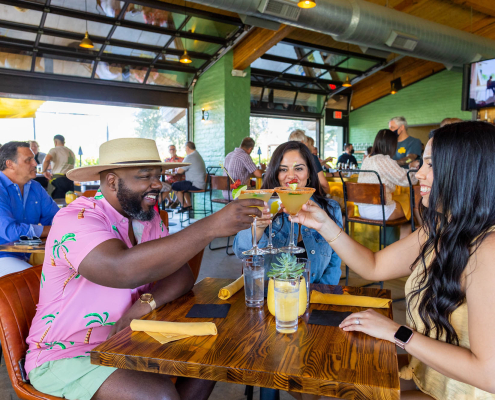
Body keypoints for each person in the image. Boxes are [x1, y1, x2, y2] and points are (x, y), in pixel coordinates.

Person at [25, 137, 267, 400]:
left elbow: (181, 273)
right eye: (145, 176)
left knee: (214, 350)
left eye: (158, 175)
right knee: (159, 396)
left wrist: (144, 304)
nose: (158, 184)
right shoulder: (76, 218)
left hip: (132, 339)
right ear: (112, 181)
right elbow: (121, 270)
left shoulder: (147, 217)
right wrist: (211, 226)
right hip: (68, 354)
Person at [290, 121, 495, 400]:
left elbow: (488, 374)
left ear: (467, 172)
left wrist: (397, 332)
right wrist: (324, 225)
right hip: (430, 380)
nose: (419, 173)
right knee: (324, 378)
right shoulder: (443, 230)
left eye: (431, 165)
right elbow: (373, 266)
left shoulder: (488, 249)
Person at [234, 141, 343, 284]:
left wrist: (319, 295)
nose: (291, 176)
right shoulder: (264, 205)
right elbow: (240, 251)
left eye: (299, 168)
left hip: (314, 297)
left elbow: (334, 263)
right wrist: (258, 228)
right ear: (275, 174)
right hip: (272, 296)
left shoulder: (330, 209)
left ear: (309, 172)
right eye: (283, 169)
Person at [0, 141, 59, 275]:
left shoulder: (35, 187)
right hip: (3, 256)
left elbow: (57, 218)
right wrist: (49, 230)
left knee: (75, 271)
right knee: (40, 281)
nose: (35, 163)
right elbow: (10, 231)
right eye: (28, 160)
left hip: (28, 252)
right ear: (10, 164)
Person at [357, 129, 417, 238]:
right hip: (380, 211)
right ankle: (401, 249)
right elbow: (408, 180)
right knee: (411, 212)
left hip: (362, 210)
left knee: (401, 202)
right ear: (392, 145)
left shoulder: (367, 159)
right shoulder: (384, 160)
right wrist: (413, 169)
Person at [288, 130, 330, 194]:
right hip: (309, 196)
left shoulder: (285, 158)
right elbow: (324, 184)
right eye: (306, 141)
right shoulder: (311, 158)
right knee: (334, 203)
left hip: (289, 194)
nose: (308, 143)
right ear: (303, 142)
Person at [171, 141, 206, 213]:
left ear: (187, 148)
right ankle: (189, 205)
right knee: (183, 185)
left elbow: (179, 171)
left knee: (174, 185)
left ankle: (184, 205)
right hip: (200, 183)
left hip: (195, 184)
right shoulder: (197, 155)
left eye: (185, 148)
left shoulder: (190, 157)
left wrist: (177, 168)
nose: (185, 150)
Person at [42, 134, 76, 199]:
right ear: (63, 142)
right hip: (70, 180)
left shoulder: (55, 150)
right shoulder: (70, 151)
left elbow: (46, 160)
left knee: (57, 202)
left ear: (55, 142)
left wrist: (44, 171)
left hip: (59, 180)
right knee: (69, 201)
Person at [161, 144, 184, 208]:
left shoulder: (181, 159)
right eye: (171, 149)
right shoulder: (166, 160)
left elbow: (183, 169)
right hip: (169, 178)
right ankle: (170, 200)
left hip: (178, 178)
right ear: (169, 151)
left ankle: (177, 201)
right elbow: (163, 170)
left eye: (173, 149)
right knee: (162, 185)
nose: (172, 150)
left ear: (176, 150)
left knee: (176, 184)